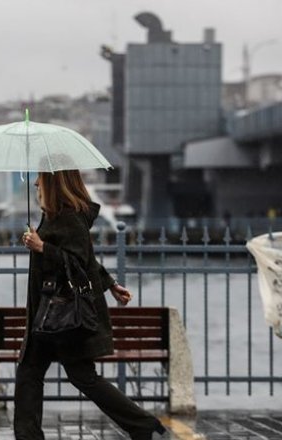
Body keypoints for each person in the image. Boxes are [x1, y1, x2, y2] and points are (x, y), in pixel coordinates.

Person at [17, 170, 166, 440]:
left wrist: (42, 248)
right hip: (49, 314)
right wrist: (109, 283)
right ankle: (141, 425)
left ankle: (142, 424)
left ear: (54, 181)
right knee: (32, 372)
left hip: (61, 314)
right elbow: (86, 260)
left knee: (79, 377)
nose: (37, 183)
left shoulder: (70, 217)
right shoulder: (54, 215)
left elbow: (76, 263)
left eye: (40, 177)